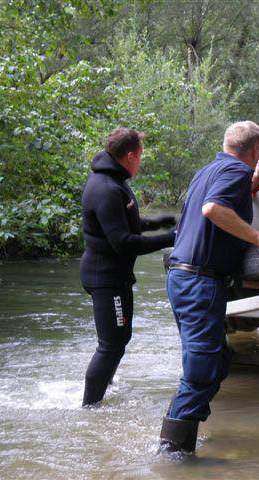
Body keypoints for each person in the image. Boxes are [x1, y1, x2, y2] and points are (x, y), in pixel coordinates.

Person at [158, 121, 259, 454]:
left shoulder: (208, 171)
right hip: (200, 282)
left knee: (215, 361)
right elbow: (213, 209)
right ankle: (172, 455)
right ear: (256, 150)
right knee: (203, 372)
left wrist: (248, 186)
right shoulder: (235, 174)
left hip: (181, 277)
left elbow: (211, 203)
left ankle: (179, 436)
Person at [80, 127, 176, 406]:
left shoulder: (113, 180)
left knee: (119, 340)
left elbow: (123, 222)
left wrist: (158, 222)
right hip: (105, 277)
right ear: (131, 155)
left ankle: (104, 388)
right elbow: (123, 241)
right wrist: (170, 239)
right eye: (140, 157)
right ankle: (89, 409)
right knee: (111, 346)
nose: (140, 162)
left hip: (113, 275)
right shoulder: (107, 188)